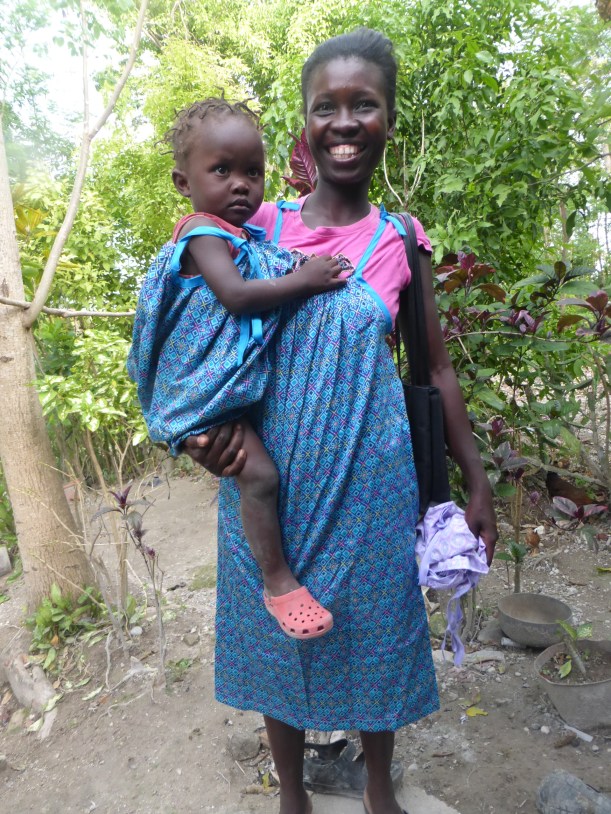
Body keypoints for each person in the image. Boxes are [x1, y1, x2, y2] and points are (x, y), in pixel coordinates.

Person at [183, 29, 498, 814]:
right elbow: (193, 334)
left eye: (365, 105)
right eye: (326, 107)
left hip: (370, 484)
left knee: (374, 632)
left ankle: (376, 789)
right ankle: (291, 793)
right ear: (305, 123)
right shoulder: (253, 226)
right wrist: (198, 433)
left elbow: (434, 369)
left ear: (388, 117)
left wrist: (476, 483)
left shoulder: (400, 241)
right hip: (267, 483)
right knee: (275, 640)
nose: (345, 123)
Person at [128, 98, 346, 639]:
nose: (241, 185)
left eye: (253, 171)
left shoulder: (242, 238)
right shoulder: (202, 233)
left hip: (222, 392)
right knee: (261, 476)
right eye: (221, 170)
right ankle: (278, 582)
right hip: (199, 394)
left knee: (264, 474)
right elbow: (237, 296)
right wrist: (306, 279)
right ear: (184, 182)